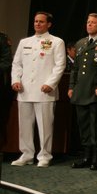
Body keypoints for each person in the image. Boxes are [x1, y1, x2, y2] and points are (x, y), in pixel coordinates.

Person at [11, 12, 66, 167]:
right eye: (36, 21)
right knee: (25, 126)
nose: (37, 24)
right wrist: (15, 80)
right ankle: (26, 154)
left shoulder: (56, 42)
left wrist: (51, 83)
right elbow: (17, 64)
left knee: (45, 126)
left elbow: (60, 65)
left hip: (45, 90)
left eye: (41, 22)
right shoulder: (24, 42)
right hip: (25, 89)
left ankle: (44, 156)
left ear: (49, 24)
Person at [68, 13, 97, 170]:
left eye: (93, 23)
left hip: (96, 91)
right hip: (81, 91)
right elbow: (75, 68)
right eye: (88, 22)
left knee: (96, 127)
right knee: (84, 126)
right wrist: (71, 87)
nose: (89, 25)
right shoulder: (81, 43)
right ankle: (86, 156)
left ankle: (96, 159)